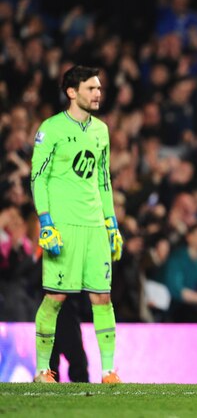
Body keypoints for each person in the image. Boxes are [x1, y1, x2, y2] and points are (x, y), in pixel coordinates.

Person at [30, 65, 124, 384]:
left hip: (95, 227)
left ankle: (109, 371)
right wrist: (45, 221)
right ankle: (43, 370)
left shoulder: (101, 130)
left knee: (102, 298)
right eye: (91, 88)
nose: (98, 93)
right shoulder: (51, 129)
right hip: (64, 227)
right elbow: (38, 178)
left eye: (99, 88)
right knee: (55, 299)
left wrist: (111, 224)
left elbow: (103, 181)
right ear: (72, 92)